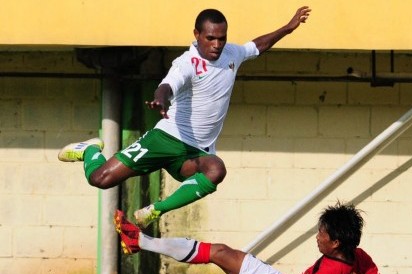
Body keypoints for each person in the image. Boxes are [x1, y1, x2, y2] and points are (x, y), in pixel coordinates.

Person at [58, 6, 312, 228]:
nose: (216, 45)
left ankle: (155, 210)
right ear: (197, 35)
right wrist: (161, 98)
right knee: (100, 179)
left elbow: (257, 46)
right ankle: (90, 150)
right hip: (166, 139)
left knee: (216, 169)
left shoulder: (231, 54)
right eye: (210, 38)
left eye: (221, 38)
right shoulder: (186, 63)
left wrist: (288, 28)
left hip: (194, 153)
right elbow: (168, 85)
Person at [114, 202, 393, 274]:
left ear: (336, 243)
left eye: (322, 234)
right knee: (222, 252)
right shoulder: (358, 257)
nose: (317, 237)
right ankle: (139, 241)